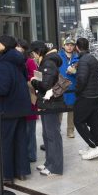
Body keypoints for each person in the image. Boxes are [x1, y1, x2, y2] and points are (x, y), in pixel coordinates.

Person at [0, 35, 31, 182]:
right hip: (22, 106)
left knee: (4, 141)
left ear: (5, 45)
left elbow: (4, 88)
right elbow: (25, 79)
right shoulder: (20, 60)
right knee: (20, 139)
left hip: (9, 106)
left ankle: (4, 174)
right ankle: (21, 171)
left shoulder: (4, 63)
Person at [30, 41, 64, 177]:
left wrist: (33, 81)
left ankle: (55, 167)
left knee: (52, 135)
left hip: (52, 103)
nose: (32, 56)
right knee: (47, 134)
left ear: (38, 51)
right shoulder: (45, 62)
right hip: (46, 103)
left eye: (33, 53)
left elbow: (45, 84)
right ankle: (49, 162)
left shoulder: (48, 63)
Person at [74, 38, 98, 160]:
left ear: (77, 47)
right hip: (95, 94)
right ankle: (93, 146)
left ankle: (93, 146)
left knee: (78, 121)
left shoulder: (84, 60)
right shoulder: (92, 58)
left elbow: (82, 79)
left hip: (87, 95)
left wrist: (77, 91)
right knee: (93, 121)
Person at [16, 39, 39, 163]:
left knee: (30, 130)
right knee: (21, 130)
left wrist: (24, 80)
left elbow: (35, 77)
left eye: (20, 47)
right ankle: (22, 153)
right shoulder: (14, 61)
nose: (18, 49)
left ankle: (31, 154)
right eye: (16, 46)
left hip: (29, 98)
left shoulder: (30, 61)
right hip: (18, 99)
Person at [58, 37, 78, 138]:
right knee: (59, 110)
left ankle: (70, 130)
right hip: (60, 87)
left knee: (72, 110)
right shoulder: (58, 56)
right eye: (67, 45)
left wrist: (75, 72)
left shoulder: (77, 57)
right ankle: (57, 129)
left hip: (72, 86)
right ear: (63, 46)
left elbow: (81, 72)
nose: (69, 47)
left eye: (71, 45)